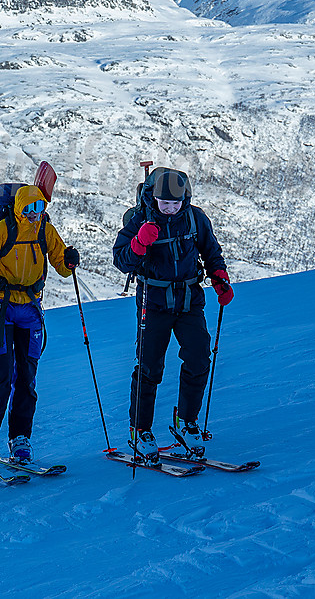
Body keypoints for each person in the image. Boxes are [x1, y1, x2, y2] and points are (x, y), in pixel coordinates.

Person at [112, 168, 234, 464]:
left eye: (175, 203)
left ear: (185, 199)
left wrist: (219, 277)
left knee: (199, 357)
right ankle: (140, 430)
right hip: (152, 302)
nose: (169, 208)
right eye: (164, 202)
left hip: (189, 299)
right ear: (152, 197)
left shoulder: (195, 218)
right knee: (149, 366)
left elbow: (210, 250)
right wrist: (139, 243)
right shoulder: (140, 220)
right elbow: (121, 260)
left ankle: (186, 422)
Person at [0, 184, 79, 465]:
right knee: (2, 374)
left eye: (39, 208)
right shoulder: (2, 230)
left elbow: (62, 267)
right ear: (18, 209)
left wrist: (69, 261)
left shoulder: (45, 231)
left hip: (29, 308)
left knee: (27, 377)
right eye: (28, 209)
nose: (33, 215)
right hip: (0, 308)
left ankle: (20, 437)